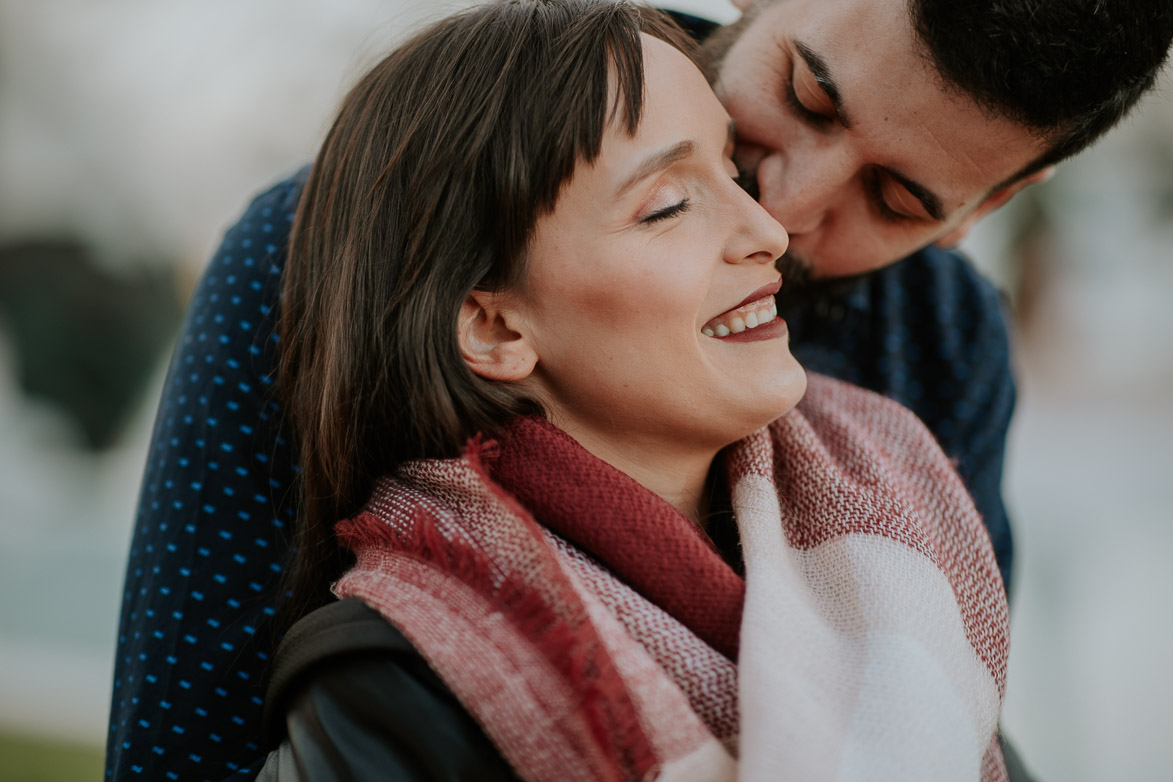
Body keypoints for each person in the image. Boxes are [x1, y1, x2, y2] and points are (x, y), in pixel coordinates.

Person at [104, 0, 1173, 779]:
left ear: (996, 201)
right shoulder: (328, 253)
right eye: (806, 94)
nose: (783, 211)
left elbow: (948, 708)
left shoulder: (942, 345)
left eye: (894, 198)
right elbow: (184, 736)